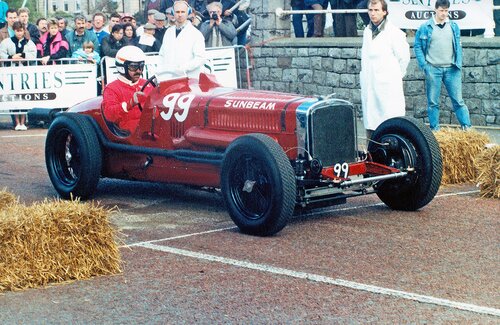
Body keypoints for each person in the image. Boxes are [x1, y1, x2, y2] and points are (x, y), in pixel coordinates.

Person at [414, 0, 471, 131]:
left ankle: (467, 128)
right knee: (433, 102)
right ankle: (435, 129)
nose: (444, 13)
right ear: (435, 9)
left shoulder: (454, 26)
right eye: (441, 10)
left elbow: (458, 45)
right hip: (433, 69)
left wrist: (459, 63)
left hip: (452, 69)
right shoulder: (425, 27)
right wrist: (424, 65)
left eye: (446, 11)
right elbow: (417, 46)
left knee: (458, 101)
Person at [360, 0, 410, 139]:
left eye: (376, 10)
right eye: (370, 10)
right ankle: (371, 155)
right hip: (370, 85)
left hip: (387, 88)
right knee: (371, 124)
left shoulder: (394, 33)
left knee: (389, 124)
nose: (373, 13)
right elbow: (365, 58)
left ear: (385, 12)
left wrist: (392, 78)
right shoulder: (367, 31)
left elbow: (404, 58)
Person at [102, 46, 153, 133]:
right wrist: (130, 104)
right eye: (133, 67)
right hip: (130, 131)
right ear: (122, 67)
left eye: (141, 66)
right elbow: (109, 115)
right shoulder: (112, 88)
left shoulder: (148, 84)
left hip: (152, 126)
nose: (139, 71)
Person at [0, 21, 37, 131]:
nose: (19, 33)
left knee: (24, 97)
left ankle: (23, 121)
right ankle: (16, 122)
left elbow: (33, 54)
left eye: (21, 31)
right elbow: (1, 53)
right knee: (13, 97)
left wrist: (22, 55)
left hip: (24, 74)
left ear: (24, 31)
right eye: (17, 31)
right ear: (14, 31)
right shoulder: (7, 42)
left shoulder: (29, 43)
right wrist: (11, 57)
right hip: (11, 73)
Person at [158, 0, 205, 79]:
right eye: (177, 12)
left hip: (190, 79)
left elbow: (200, 58)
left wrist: (183, 68)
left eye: (182, 12)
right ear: (173, 13)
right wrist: (160, 73)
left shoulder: (196, 34)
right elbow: (162, 55)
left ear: (188, 12)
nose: (180, 15)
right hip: (169, 79)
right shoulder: (168, 32)